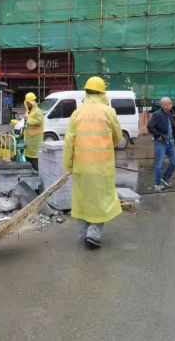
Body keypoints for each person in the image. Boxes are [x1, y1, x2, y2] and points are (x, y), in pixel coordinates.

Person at [63, 76, 122, 249]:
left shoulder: (77, 113)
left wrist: (68, 165)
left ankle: (83, 234)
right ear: (103, 93)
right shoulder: (108, 112)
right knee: (101, 201)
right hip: (102, 167)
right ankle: (93, 234)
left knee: (83, 200)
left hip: (81, 166)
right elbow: (117, 137)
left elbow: (68, 142)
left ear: (86, 92)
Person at [147, 96, 175, 192]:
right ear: (164, 105)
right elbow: (150, 126)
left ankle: (164, 178)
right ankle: (158, 183)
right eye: (169, 104)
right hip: (161, 143)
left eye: (171, 103)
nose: (171, 105)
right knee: (159, 164)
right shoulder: (157, 114)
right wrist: (158, 136)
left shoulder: (169, 114)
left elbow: (171, 127)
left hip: (170, 142)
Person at [24, 92, 44, 171]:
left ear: (32, 102)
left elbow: (38, 122)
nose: (27, 104)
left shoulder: (38, 111)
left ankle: (40, 176)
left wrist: (28, 120)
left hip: (35, 141)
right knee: (28, 159)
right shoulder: (30, 111)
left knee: (35, 161)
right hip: (29, 140)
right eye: (26, 102)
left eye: (28, 102)